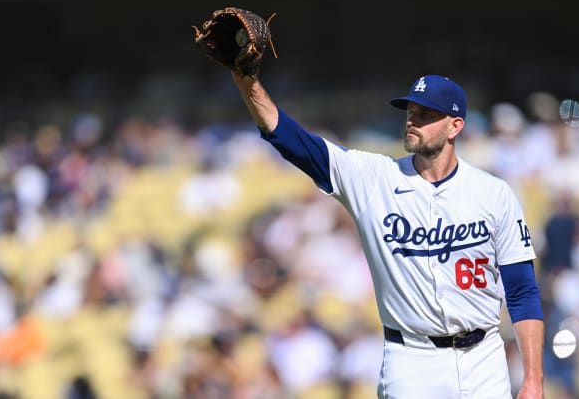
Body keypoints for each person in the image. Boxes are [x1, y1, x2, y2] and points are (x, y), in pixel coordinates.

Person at [230, 71, 545, 398]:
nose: (413, 121)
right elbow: (290, 139)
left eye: (426, 115)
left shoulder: (494, 193)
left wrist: (534, 379)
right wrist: (246, 81)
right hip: (411, 360)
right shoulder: (374, 178)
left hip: (484, 360)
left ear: (455, 126)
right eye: (411, 112)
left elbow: (522, 291)